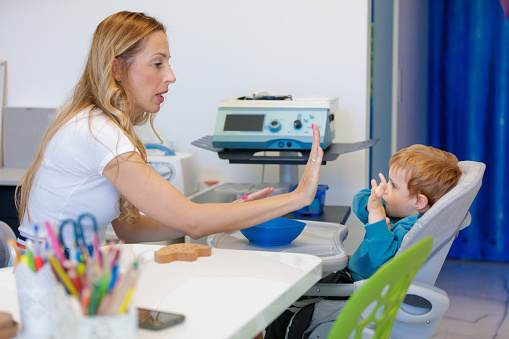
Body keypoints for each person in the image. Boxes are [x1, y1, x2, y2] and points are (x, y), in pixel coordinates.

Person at [15, 11, 323, 249]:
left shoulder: (100, 125)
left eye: (168, 63)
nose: (171, 76)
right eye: (157, 64)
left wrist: (230, 213)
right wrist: (298, 196)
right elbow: (192, 222)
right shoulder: (97, 133)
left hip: (71, 275)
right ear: (117, 70)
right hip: (49, 281)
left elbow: (130, 228)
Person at [264, 144, 462, 338]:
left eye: (393, 185)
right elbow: (360, 200)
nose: (385, 190)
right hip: (350, 281)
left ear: (419, 202)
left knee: (289, 313)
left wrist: (377, 213)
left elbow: (382, 261)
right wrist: (374, 205)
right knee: (288, 295)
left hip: (362, 295)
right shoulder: (398, 212)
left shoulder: (409, 229)